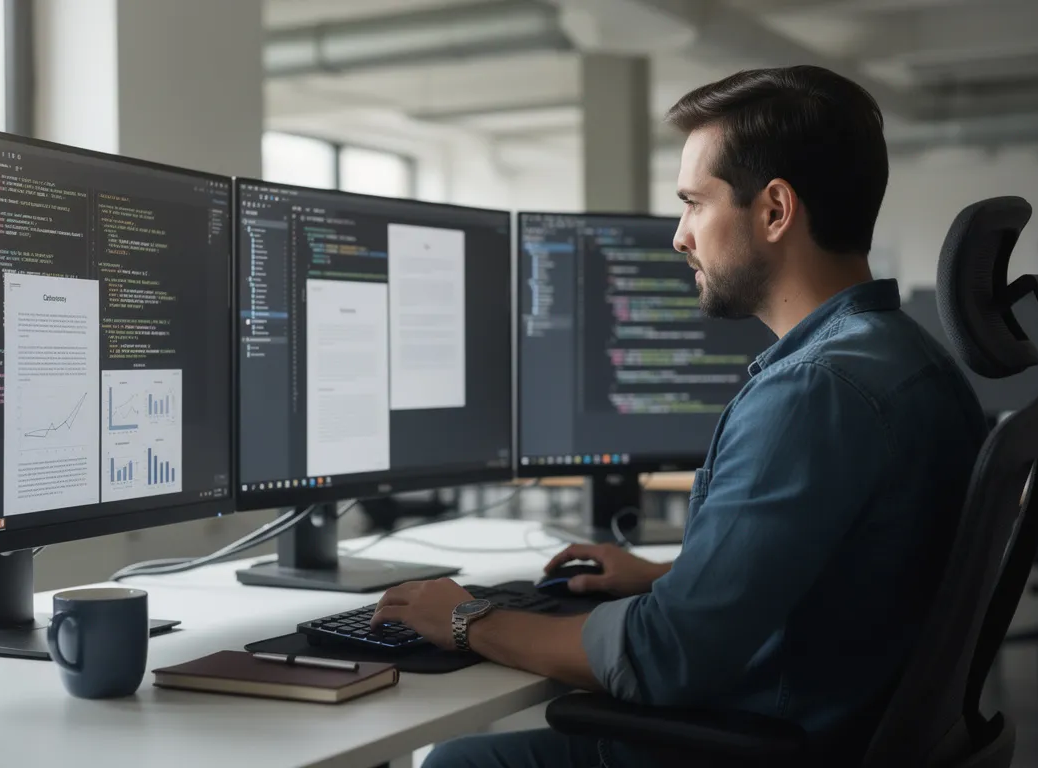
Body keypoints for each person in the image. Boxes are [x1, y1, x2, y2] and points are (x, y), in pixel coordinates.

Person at [371, 65, 989, 768]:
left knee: (456, 761)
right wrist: (667, 579)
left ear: (776, 210)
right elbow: (853, 576)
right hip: (853, 730)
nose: (679, 236)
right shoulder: (912, 361)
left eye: (695, 203)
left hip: (776, 742)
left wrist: (468, 618)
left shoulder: (814, 392)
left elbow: (666, 658)